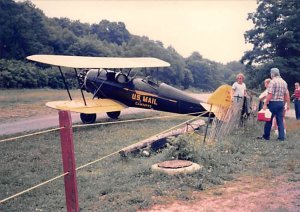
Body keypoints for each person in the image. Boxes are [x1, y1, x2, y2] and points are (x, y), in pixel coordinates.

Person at [257, 68, 290, 141]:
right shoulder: (284, 82)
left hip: (273, 103)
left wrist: (265, 104)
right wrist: (284, 103)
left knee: (269, 120)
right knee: (280, 121)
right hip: (281, 103)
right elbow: (286, 95)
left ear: (272, 74)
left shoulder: (272, 82)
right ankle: (281, 137)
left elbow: (270, 94)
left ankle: (266, 136)